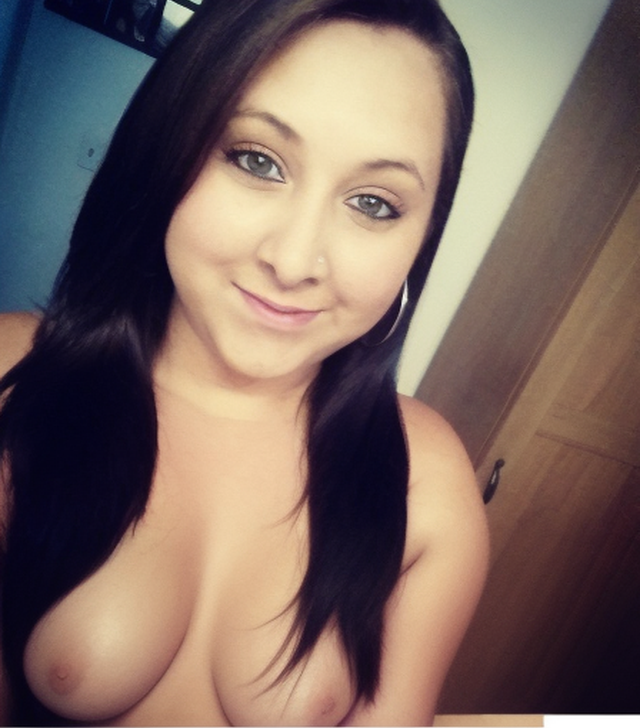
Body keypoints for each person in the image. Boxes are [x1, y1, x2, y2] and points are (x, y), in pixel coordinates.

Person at [0, 1, 489, 724]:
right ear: (168, 149)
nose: (293, 261)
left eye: (373, 203)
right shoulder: (16, 381)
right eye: (257, 160)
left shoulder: (428, 481)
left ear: (422, 237)